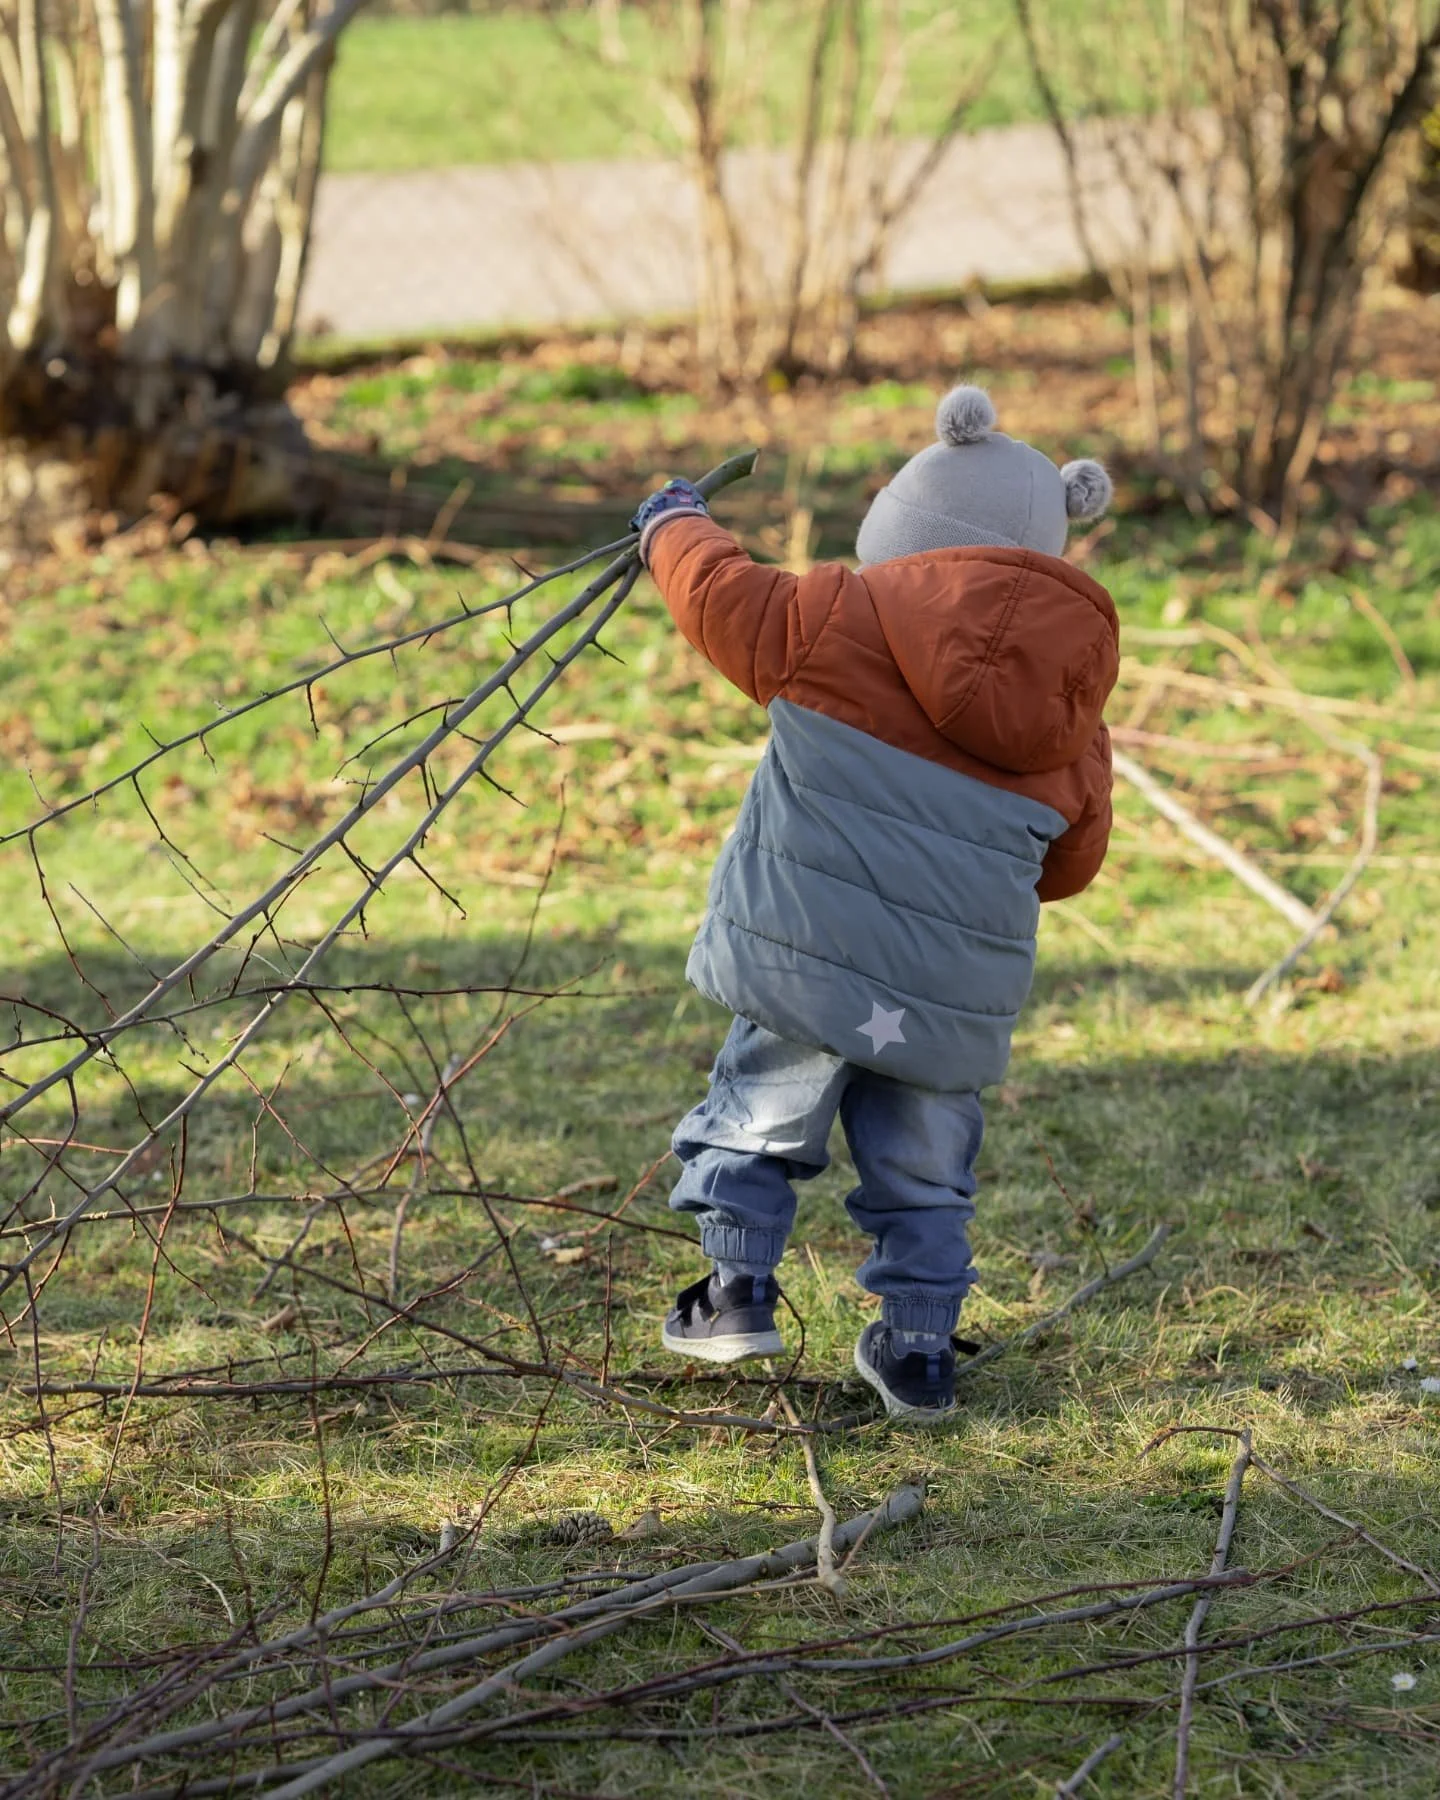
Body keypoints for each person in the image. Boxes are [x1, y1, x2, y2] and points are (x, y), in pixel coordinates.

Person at [631, 384, 1119, 1421]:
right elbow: (1071, 868)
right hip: (946, 1003)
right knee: (927, 1171)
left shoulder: (834, 618)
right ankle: (918, 1352)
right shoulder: (1071, 716)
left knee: (756, 1116)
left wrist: (675, 524)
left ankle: (734, 1294)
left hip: (808, 960)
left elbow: (718, 595)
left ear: (908, 519)